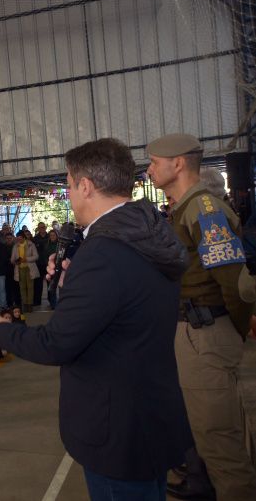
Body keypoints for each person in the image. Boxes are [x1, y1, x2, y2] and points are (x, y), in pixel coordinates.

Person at [0, 138, 192, 500]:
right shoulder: (150, 231)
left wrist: (1, 331)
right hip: (151, 414)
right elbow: (123, 303)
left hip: (116, 428)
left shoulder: (102, 254)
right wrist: (74, 282)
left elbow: (56, 343)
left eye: (70, 185)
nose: (70, 194)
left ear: (86, 186)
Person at [146, 133, 256, 500]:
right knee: (217, 433)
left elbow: (237, 286)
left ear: (177, 163)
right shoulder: (187, 208)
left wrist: (230, 330)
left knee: (220, 443)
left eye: (154, 162)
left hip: (206, 331)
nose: (149, 170)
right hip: (197, 329)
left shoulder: (203, 209)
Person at [10, 231, 39, 314]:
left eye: (20, 238)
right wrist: (15, 261)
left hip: (29, 268)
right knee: (22, 288)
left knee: (30, 287)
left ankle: (30, 305)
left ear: (24, 237)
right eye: (18, 238)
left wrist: (26, 259)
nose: (19, 240)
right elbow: (12, 259)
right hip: (20, 269)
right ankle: (25, 304)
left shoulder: (31, 244)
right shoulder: (15, 246)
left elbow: (36, 256)